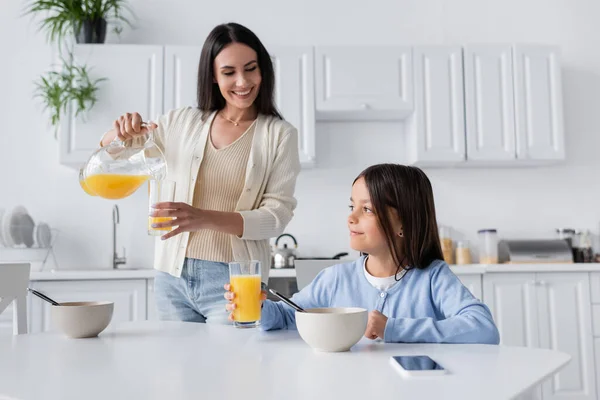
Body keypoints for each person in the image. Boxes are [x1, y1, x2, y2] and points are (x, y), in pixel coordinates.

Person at [99, 22, 301, 324]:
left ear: (263, 71)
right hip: (171, 278)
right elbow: (114, 151)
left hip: (234, 281)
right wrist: (120, 133)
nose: (242, 81)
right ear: (213, 76)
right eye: (229, 72)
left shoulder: (279, 134)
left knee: (235, 367)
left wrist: (202, 217)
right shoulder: (181, 122)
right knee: (176, 371)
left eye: (251, 68)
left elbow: (276, 216)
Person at [225, 164, 500, 344]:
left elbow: (483, 329)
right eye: (351, 206)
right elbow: (289, 316)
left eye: (366, 209)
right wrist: (260, 308)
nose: (350, 218)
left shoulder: (433, 277)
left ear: (403, 222)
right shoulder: (334, 279)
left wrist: (393, 328)